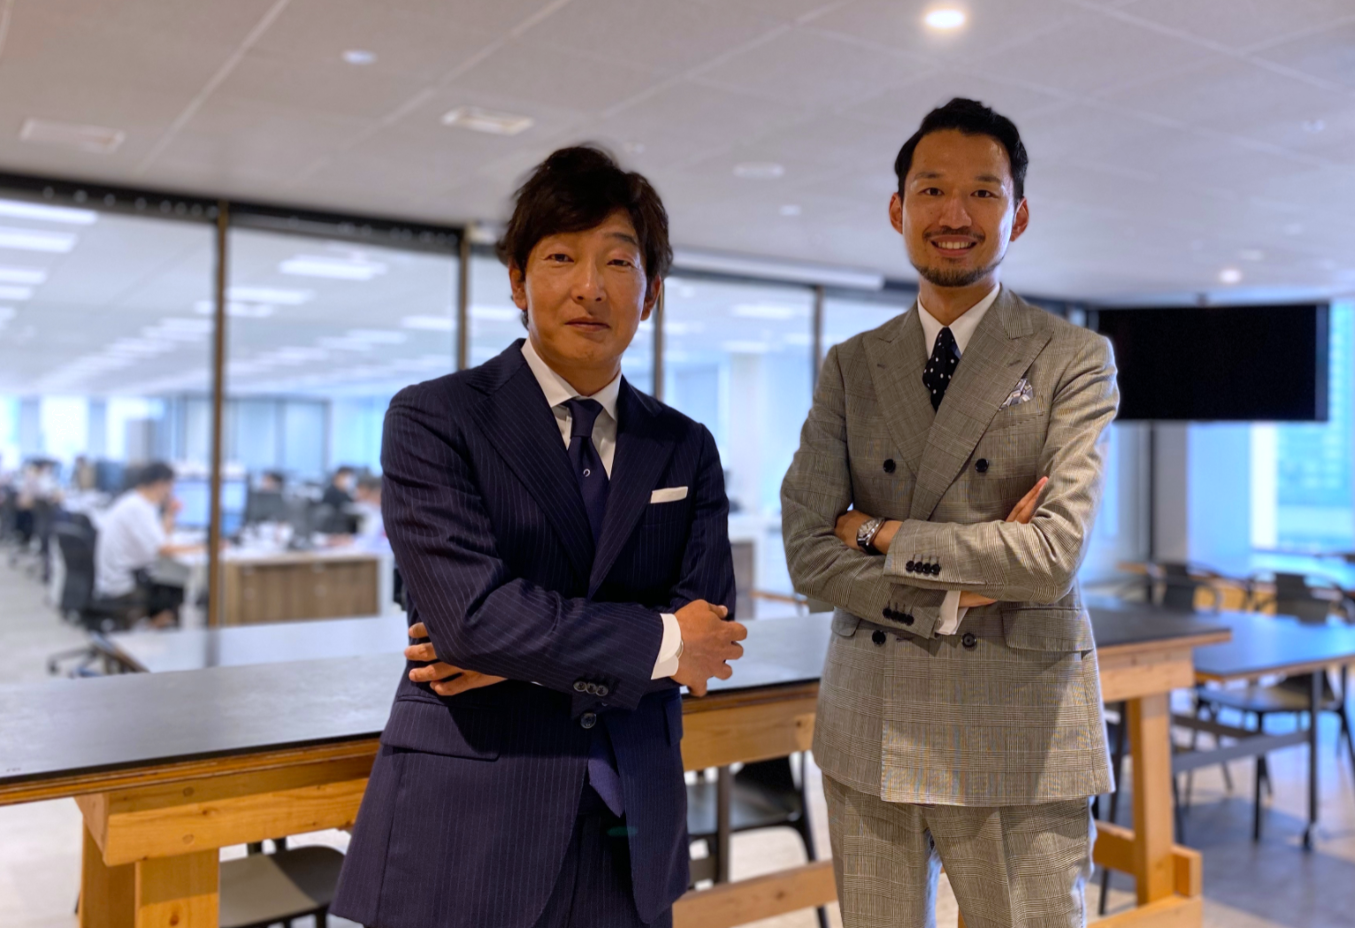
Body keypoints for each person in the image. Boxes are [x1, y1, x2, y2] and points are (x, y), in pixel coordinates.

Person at [333, 146, 748, 929]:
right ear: (519, 282)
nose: (590, 286)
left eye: (618, 262)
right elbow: (471, 621)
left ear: (651, 295)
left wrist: (511, 658)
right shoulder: (435, 418)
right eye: (561, 257)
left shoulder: (683, 445)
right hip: (472, 823)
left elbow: (709, 634)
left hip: (631, 827)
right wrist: (656, 641)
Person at [780, 98, 1120, 928]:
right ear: (898, 209)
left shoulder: (1073, 357)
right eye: (932, 190)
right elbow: (807, 550)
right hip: (873, 717)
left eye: (983, 193)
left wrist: (878, 531)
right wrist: (952, 594)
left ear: (1019, 215)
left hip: (1021, 718)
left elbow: (1051, 556)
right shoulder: (852, 366)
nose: (955, 215)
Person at [94, 461, 196, 626]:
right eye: (171, 486)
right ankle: (149, 629)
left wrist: (171, 513)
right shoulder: (139, 508)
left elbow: (161, 538)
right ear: (160, 484)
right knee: (176, 590)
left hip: (119, 580)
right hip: (124, 588)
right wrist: (209, 546)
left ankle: (153, 628)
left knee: (172, 582)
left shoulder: (135, 502)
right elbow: (164, 549)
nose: (171, 492)